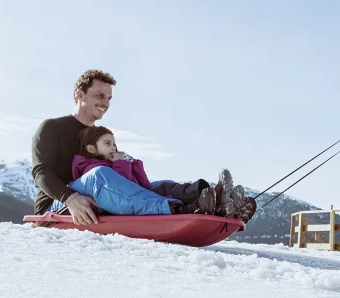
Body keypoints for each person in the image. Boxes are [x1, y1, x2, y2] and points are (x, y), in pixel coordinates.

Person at [32, 69, 256, 226]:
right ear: (79, 94)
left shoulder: (99, 137)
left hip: (101, 198)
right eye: (100, 95)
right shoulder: (52, 128)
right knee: (100, 175)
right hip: (60, 206)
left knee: (155, 186)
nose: (106, 103)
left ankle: (211, 199)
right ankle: (180, 210)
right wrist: (70, 198)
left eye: (109, 97)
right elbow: (40, 172)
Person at [72, 125, 221, 216]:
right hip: (118, 201)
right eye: (107, 143)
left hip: (134, 194)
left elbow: (144, 184)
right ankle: (182, 208)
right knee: (141, 194)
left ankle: (209, 194)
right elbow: (121, 190)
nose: (113, 147)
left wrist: (133, 162)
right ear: (92, 148)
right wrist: (120, 163)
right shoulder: (90, 167)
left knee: (164, 185)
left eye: (114, 143)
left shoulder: (114, 162)